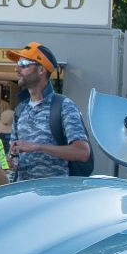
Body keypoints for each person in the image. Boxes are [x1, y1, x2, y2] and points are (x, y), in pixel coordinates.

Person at [5, 42, 88, 182]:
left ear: (41, 70)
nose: (17, 69)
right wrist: (8, 161)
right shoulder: (20, 109)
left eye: (24, 63)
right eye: (17, 63)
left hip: (55, 196)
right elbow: (14, 158)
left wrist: (37, 147)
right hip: (23, 196)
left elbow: (82, 152)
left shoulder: (63, 106)